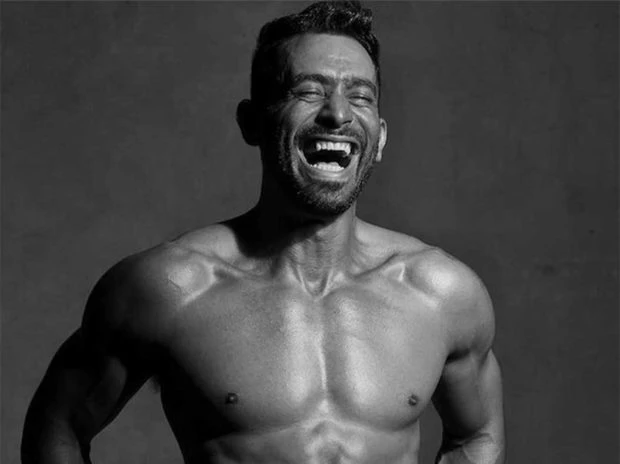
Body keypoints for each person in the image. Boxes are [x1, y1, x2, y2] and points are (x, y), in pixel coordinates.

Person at [21, 2, 505, 463]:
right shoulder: (170, 288)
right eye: (308, 91)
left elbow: (477, 435)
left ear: (379, 137)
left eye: (359, 96)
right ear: (252, 123)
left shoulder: (442, 294)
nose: (338, 113)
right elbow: (58, 428)